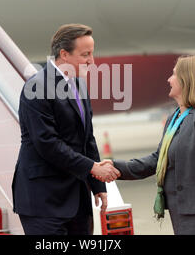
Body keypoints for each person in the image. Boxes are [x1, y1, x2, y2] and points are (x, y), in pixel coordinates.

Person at [101, 55, 195, 235]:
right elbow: (158, 159)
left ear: (187, 81)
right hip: (181, 213)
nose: (169, 79)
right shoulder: (175, 118)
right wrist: (116, 167)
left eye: (174, 75)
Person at [11, 23, 120, 235]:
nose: (92, 61)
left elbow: (87, 138)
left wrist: (98, 186)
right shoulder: (37, 87)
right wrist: (92, 167)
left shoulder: (79, 85)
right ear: (64, 54)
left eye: (92, 53)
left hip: (77, 198)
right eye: (85, 54)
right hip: (43, 199)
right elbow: (47, 144)